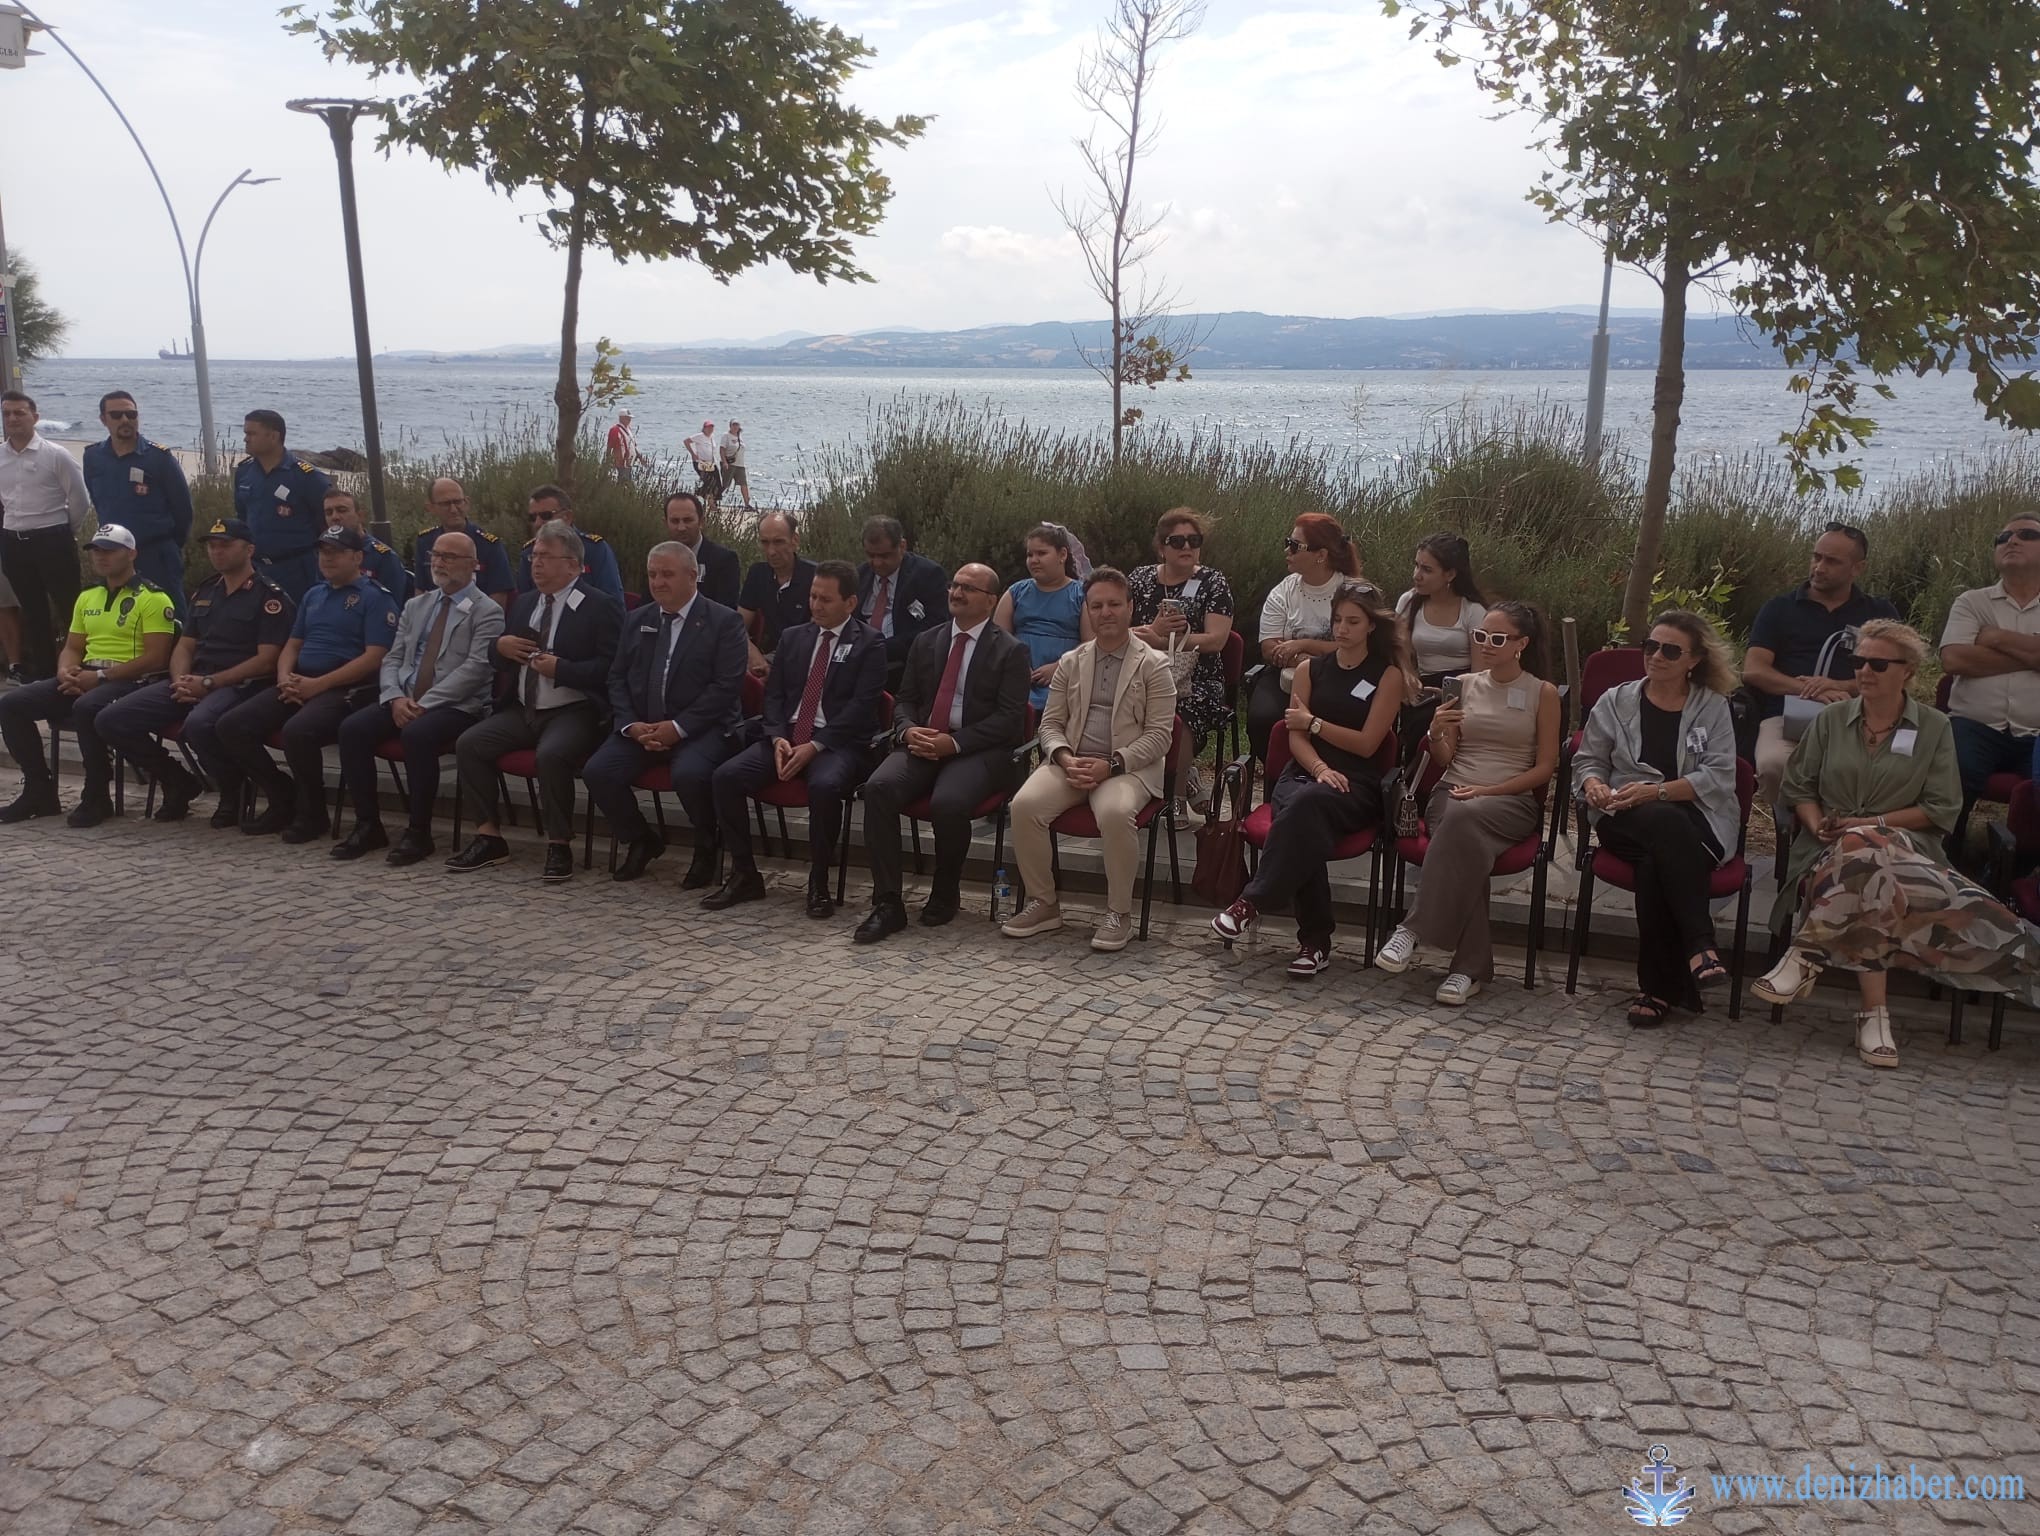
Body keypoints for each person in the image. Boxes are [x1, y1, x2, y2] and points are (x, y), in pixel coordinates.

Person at [1754, 619, 2040, 1068]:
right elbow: (1799, 789)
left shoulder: (1935, 727)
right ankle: (1873, 1015)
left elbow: (1942, 807)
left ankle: (1806, 954)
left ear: (1907, 671)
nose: (1864, 671)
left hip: (1910, 852)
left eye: (1877, 663)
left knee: (1869, 849)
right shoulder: (1831, 719)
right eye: (1859, 661)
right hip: (1826, 852)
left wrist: (1869, 824)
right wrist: (1817, 825)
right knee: (1870, 867)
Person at [1209, 583, 1406, 976]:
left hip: (1356, 783)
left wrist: (1315, 722)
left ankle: (1251, 902)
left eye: (1353, 621)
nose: (1342, 629)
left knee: (1303, 811)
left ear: (1371, 626)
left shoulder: (1388, 677)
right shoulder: (1308, 669)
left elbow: (1368, 745)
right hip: (1304, 772)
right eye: (1337, 620)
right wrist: (1318, 769)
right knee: (1305, 815)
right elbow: (1294, 739)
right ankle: (1314, 945)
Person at [1375, 601, 1561, 1005]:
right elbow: (1444, 759)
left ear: (1521, 644)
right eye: (1480, 636)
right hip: (1453, 790)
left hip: (1510, 798)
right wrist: (1437, 732)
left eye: (1497, 638)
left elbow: (1546, 767)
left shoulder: (1542, 693)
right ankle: (1468, 969)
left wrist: (1489, 792)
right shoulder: (1461, 685)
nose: (1486, 645)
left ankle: (1413, 929)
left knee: (1464, 818)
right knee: (1463, 831)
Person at [1572, 610, 1742, 1026]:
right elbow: (1587, 760)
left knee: (1657, 857)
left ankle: (1657, 989)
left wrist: (1659, 791)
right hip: (1624, 814)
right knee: (1663, 827)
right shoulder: (1616, 700)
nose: (1657, 656)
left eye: (1670, 650)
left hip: (1699, 817)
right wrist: (1594, 784)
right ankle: (1699, 946)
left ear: (1694, 660)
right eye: (1651, 646)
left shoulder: (1713, 707)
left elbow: (1720, 776)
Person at [1002, 568, 1181, 952]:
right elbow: (1049, 725)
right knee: (1024, 805)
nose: (1106, 613)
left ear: (1131, 608)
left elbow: (1160, 736)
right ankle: (1044, 903)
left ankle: (1119, 912)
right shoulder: (1071, 661)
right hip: (1072, 763)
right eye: (1096, 605)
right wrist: (1065, 759)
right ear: (1087, 611)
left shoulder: (1154, 664)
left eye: (1114, 604)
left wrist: (1112, 765)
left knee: (1115, 813)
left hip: (1127, 769)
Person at [854, 563, 1031, 944]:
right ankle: (888, 902)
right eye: (955, 584)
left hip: (976, 749)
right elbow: (905, 699)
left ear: (989, 600)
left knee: (948, 802)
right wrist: (907, 729)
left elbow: (1010, 720)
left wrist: (955, 742)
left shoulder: (1011, 650)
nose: (957, 592)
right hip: (923, 740)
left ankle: (945, 889)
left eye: (968, 588)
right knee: (878, 788)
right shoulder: (928, 640)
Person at [705, 560, 886, 918]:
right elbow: (772, 696)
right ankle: (744, 873)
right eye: (813, 596)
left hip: (836, 741)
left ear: (850, 603)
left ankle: (818, 880)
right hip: (785, 736)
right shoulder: (794, 637)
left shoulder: (869, 643)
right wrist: (776, 739)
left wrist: (816, 746)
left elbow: (864, 706)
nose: (816, 605)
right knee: (725, 777)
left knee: (825, 786)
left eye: (826, 600)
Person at [446, 522, 624, 883]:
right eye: (533, 557)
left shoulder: (598, 606)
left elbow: (611, 668)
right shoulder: (525, 602)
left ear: (573, 565)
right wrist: (500, 647)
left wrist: (564, 669)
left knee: (551, 755)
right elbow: (499, 660)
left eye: (545, 557)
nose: (536, 564)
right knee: (470, 744)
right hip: (523, 708)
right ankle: (489, 836)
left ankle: (559, 843)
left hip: (574, 708)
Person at [95, 517, 294, 827]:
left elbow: (267, 660)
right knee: (112, 719)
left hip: (241, 683)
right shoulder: (205, 591)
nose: (217, 552)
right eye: (212, 546)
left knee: (200, 724)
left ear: (249, 549)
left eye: (225, 545)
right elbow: (185, 646)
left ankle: (237, 790)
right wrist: (180, 681)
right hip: (194, 679)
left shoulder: (269, 597)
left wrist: (210, 683)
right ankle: (177, 781)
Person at [213, 526, 399, 841]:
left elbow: (374, 657)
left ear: (357, 557)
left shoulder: (375, 598)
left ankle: (312, 814)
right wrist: (285, 677)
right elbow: (293, 644)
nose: (327, 558)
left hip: (346, 689)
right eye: (323, 552)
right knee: (232, 725)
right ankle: (281, 794)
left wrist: (319, 684)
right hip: (299, 682)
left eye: (336, 552)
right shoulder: (314, 594)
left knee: (298, 732)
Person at [332, 532, 505, 866]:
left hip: (458, 706)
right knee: (353, 729)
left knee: (417, 735)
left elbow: (476, 670)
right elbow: (393, 658)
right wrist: (395, 697)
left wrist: (425, 704)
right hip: (406, 699)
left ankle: (418, 831)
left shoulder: (488, 611)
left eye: (449, 556)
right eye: (436, 555)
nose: (439, 562)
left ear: (473, 565)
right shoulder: (416, 605)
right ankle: (369, 825)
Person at [582, 541, 747, 887]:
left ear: (692, 576)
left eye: (667, 574)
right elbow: (617, 678)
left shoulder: (723, 621)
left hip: (705, 729)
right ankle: (641, 840)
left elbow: (725, 687)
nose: (658, 582)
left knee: (688, 774)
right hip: (643, 726)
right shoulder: (638, 619)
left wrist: (678, 727)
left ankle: (706, 846)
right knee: (598, 771)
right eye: (653, 574)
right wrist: (630, 725)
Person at [0, 525, 178, 827]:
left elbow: (156, 658)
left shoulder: (154, 598)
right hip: (87, 675)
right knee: (11, 704)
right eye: (96, 550)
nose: (101, 557)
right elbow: (72, 646)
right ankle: (39, 790)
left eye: (109, 550)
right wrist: (64, 670)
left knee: (87, 707)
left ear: (132, 553)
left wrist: (102, 678)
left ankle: (96, 794)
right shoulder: (88, 597)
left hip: (131, 679)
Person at [1742, 522, 1900, 810]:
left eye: (1832, 561)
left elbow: (1894, 673)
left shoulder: (1878, 613)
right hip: (1788, 715)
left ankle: (1846, 830)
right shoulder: (1780, 608)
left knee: (1875, 769)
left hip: (1857, 716)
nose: (1819, 567)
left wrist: (1841, 687)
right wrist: (1809, 688)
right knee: (1773, 764)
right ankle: (1792, 828)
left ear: (1857, 568)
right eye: (1816, 557)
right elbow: (1754, 670)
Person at [1936, 512, 2040, 852]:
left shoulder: (1986, 620)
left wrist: (1993, 637)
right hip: (1974, 724)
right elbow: (1954, 660)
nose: (2011, 540)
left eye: (2026, 534)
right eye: (2003, 537)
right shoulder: (1971, 602)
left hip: (2038, 729)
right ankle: (1943, 865)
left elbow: (1971, 657)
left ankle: (2019, 875)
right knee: (1953, 776)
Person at [1128, 509, 1235, 814]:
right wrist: (1150, 635)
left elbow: (1216, 640)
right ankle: (1143, 784)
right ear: (1161, 547)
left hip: (1196, 675)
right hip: (1142, 669)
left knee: (1180, 710)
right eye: (1177, 541)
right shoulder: (1139, 579)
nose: (1187, 547)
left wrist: (1167, 642)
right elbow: (1116, 629)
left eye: (1194, 540)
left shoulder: (1213, 582)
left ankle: (1174, 798)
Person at [1248, 512, 1366, 760]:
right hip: (1284, 677)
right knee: (1263, 718)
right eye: (1287, 543)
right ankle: (1278, 774)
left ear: (1321, 555)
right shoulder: (1284, 591)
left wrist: (1302, 645)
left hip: (1342, 676)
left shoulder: (1351, 592)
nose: (1287, 551)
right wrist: (1306, 660)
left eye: (1294, 546)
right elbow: (1271, 648)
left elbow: (1357, 647)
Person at [0, 390, 95, 682]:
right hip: (14, 541)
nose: (13, 419)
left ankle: (82, 670)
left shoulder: (55, 455)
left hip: (52, 539)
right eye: (7, 414)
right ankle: (43, 674)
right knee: (33, 609)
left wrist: (65, 530)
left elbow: (80, 500)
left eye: (20, 412)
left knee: (69, 608)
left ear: (35, 417)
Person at [81, 391, 193, 617]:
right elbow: (97, 499)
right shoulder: (93, 457)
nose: (125, 420)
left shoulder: (159, 458)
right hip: (113, 554)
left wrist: (169, 546)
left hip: (155, 553)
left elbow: (183, 511)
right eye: (117, 414)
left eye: (131, 414)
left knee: (171, 617)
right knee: (122, 617)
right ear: (103, 419)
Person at [233, 409, 332, 602]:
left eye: (252, 433)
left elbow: (327, 523)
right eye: (245, 433)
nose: (246, 439)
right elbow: (242, 518)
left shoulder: (306, 477)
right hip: (256, 568)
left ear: (274, 436)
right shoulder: (244, 472)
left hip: (296, 569)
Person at [996, 523, 1090, 712]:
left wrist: (1060, 666)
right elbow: (997, 638)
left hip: (1067, 682)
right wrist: (1018, 667)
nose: (1034, 560)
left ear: (1062, 555)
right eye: (1030, 555)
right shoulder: (1016, 592)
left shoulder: (1082, 595)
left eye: (1041, 553)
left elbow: (1091, 642)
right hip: (1016, 681)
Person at [857, 516, 949, 691]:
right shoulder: (860, 576)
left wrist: (881, 648)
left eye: (884, 556)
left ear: (902, 546)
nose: (877, 562)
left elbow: (936, 627)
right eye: (871, 555)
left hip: (904, 665)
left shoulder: (927, 575)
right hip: (860, 663)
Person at [1396, 532, 1485, 684]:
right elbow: (1399, 655)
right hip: (1422, 687)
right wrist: (1410, 682)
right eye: (1416, 566)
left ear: (1450, 574)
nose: (1417, 576)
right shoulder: (1408, 602)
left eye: (1427, 570)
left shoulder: (1473, 611)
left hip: (1463, 688)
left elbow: (1481, 672)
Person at [411, 478, 513, 605]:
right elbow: (420, 590)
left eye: (458, 502)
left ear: (467, 502)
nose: (453, 509)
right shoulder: (425, 542)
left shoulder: (489, 545)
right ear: (431, 508)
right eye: (445, 504)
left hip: (476, 619)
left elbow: (499, 596)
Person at [514, 483, 623, 601]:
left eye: (546, 515)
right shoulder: (528, 553)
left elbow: (613, 602)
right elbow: (524, 603)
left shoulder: (594, 549)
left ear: (567, 517)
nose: (538, 523)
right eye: (532, 517)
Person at [738, 511, 816, 676]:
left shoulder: (815, 577)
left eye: (779, 542)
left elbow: (816, 634)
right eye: (765, 543)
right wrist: (755, 656)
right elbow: (738, 625)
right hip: (765, 655)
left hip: (803, 657)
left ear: (795, 540)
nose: (771, 551)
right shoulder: (758, 574)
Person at [322, 487, 411, 603]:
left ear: (360, 515)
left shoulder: (383, 557)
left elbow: (392, 605)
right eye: (329, 513)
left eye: (342, 510)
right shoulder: (324, 554)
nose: (335, 517)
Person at [664, 490, 741, 609]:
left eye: (688, 520)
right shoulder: (660, 559)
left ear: (701, 522)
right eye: (675, 521)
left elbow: (726, 613)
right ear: (666, 524)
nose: (681, 527)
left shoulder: (724, 560)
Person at [685, 419, 722, 507]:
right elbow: (686, 441)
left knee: (717, 483)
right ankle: (701, 495)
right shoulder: (700, 436)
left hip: (711, 463)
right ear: (704, 428)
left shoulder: (712, 437)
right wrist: (693, 454)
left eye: (712, 427)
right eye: (708, 427)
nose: (710, 429)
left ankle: (711, 500)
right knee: (708, 482)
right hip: (700, 463)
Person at [720, 421, 754, 511]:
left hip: (740, 465)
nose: (735, 427)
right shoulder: (726, 436)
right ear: (730, 426)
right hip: (730, 464)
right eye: (733, 425)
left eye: (737, 425)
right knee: (725, 484)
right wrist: (724, 462)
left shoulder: (739, 437)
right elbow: (722, 449)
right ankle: (714, 498)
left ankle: (747, 504)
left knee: (743, 484)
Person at [607, 411, 646, 485]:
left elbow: (633, 446)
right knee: (624, 482)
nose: (629, 420)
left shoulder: (628, 429)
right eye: (627, 418)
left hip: (629, 462)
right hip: (621, 462)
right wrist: (608, 461)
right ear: (621, 418)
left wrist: (640, 458)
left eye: (630, 418)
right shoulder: (615, 430)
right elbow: (610, 446)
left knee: (625, 481)